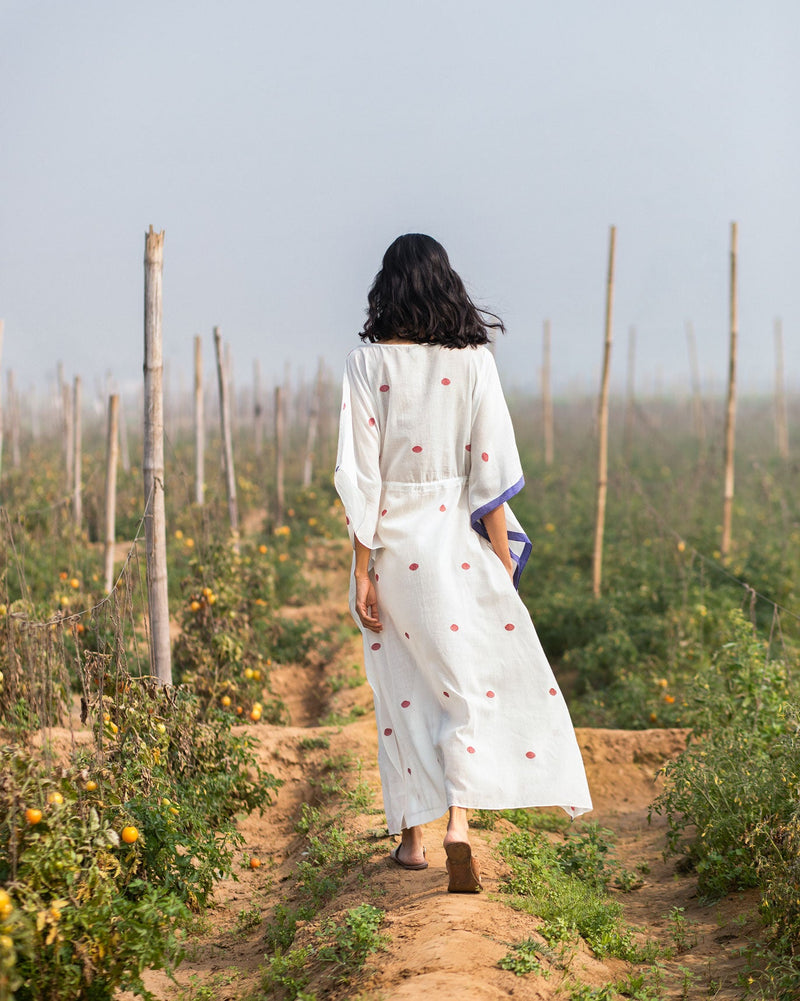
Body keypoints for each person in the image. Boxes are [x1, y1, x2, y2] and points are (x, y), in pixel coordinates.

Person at [334, 234, 592, 893]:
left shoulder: (367, 366)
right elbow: (492, 472)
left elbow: (362, 479)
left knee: (402, 691)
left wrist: (362, 570)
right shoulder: (474, 362)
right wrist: (502, 564)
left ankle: (412, 841)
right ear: (447, 285)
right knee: (467, 686)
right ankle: (460, 822)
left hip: (394, 550)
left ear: (386, 289)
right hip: (456, 542)